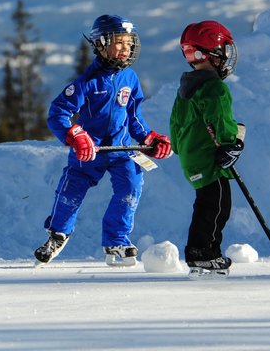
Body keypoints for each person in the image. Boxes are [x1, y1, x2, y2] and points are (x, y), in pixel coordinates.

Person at [35, 14, 172, 266]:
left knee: (130, 187)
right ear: (101, 43)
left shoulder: (130, 79)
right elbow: (58, 112)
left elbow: (134, 117)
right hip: (90, 151)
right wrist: (75, 135)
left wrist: (149, 138)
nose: (126, 48)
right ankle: (58, 234)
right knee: (71, 192)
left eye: (129, 43)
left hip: (121, 149)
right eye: (119, 42)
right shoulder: (87, 82)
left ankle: (116, 240)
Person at [169, 20, 244, 277]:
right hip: (210, 159)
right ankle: (203, 253)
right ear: (212, 53)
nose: (225, 58)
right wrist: (231, 143)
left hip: (192, 159)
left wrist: (181, 148)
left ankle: (206, 251)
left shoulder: (186, 86)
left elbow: (176, 124)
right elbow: (220, 119)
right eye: (223, 52)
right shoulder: (214, 87)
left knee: (208, 204)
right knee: (217, 205)